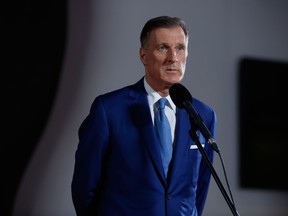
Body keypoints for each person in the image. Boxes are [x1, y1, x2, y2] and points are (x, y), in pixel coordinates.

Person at [71, 15, 217, 216]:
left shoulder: (203, 114)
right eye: (163, 47)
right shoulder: (109, 109)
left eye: (180, 48)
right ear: (143, 55)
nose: (173, 58)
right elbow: (84, 187)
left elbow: (200, 187)